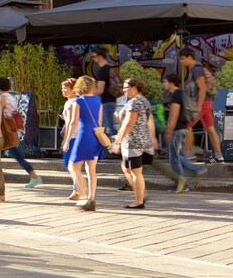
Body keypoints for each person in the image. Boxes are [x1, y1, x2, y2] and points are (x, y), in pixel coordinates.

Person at [0, 77, 43, 188]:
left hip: (5, 131)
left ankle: (34, 176)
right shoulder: (11, 97)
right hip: (11, 130)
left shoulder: (2, 98)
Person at [111, 78, 152, 209]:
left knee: (135, 172)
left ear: (134, 88)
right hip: (142, 140)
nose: (123, 90)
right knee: (127, 168)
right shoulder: (144, 101)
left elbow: (129, 124)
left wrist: (117, 142)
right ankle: (141, 194)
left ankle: (139, 200)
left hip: (132, 142)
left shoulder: (134, 102)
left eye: (126, 87)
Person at [63, 76, 102, 211]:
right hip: (96, 135)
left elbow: (73, 122)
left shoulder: (77, 101)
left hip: (84, 134)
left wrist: (67, 140)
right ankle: (91, 198)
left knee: (73, 166)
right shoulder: (98, 100)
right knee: (91, 170)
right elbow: (100, 121)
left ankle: (84, 196)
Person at [179, 47, 224, 163]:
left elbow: (203, 88)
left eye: (183, 59)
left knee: (187, 126)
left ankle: (188, 155)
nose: (181, 61)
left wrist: (198, 106)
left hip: (202, 103)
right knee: (210, 129)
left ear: (189, 57)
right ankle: (218, 156)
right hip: (208, 103)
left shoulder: (196, 69)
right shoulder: (198, 68)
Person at [162, 73, 206, 191]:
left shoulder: (175, 95)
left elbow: (174, 114)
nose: (164, 84)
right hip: (183, 128)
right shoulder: (181, 93)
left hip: (177, 129)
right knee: (177, 155)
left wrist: (169, 131)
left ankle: (183, 183)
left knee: (174, 158)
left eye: (165, 82)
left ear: (171, 83)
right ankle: (192, 173)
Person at [91, 47, 117, 138]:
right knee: (109, 127)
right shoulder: (110, 68)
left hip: (106, 102)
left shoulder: (102, 70)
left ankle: (111, 150)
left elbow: (100, 90)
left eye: (94, 57)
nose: (93, 59)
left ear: (100, 57)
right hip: (112, 101)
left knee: (108, 129)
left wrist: (88, 93)